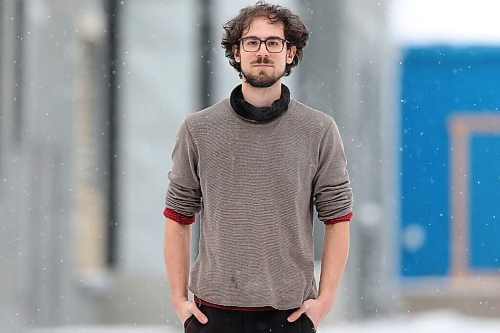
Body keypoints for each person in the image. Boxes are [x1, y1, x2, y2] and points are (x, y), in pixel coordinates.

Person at [163, 2, 353, 332]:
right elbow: (178, 217)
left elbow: (338, 218)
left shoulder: (318, 130)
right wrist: (179, 301)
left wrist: (324, 301)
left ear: (290, 52)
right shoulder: (198, 129)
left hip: (290, 317)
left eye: (273, 42)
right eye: (252, 42)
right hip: (213, 316)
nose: (262, 51)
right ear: (236, 52)